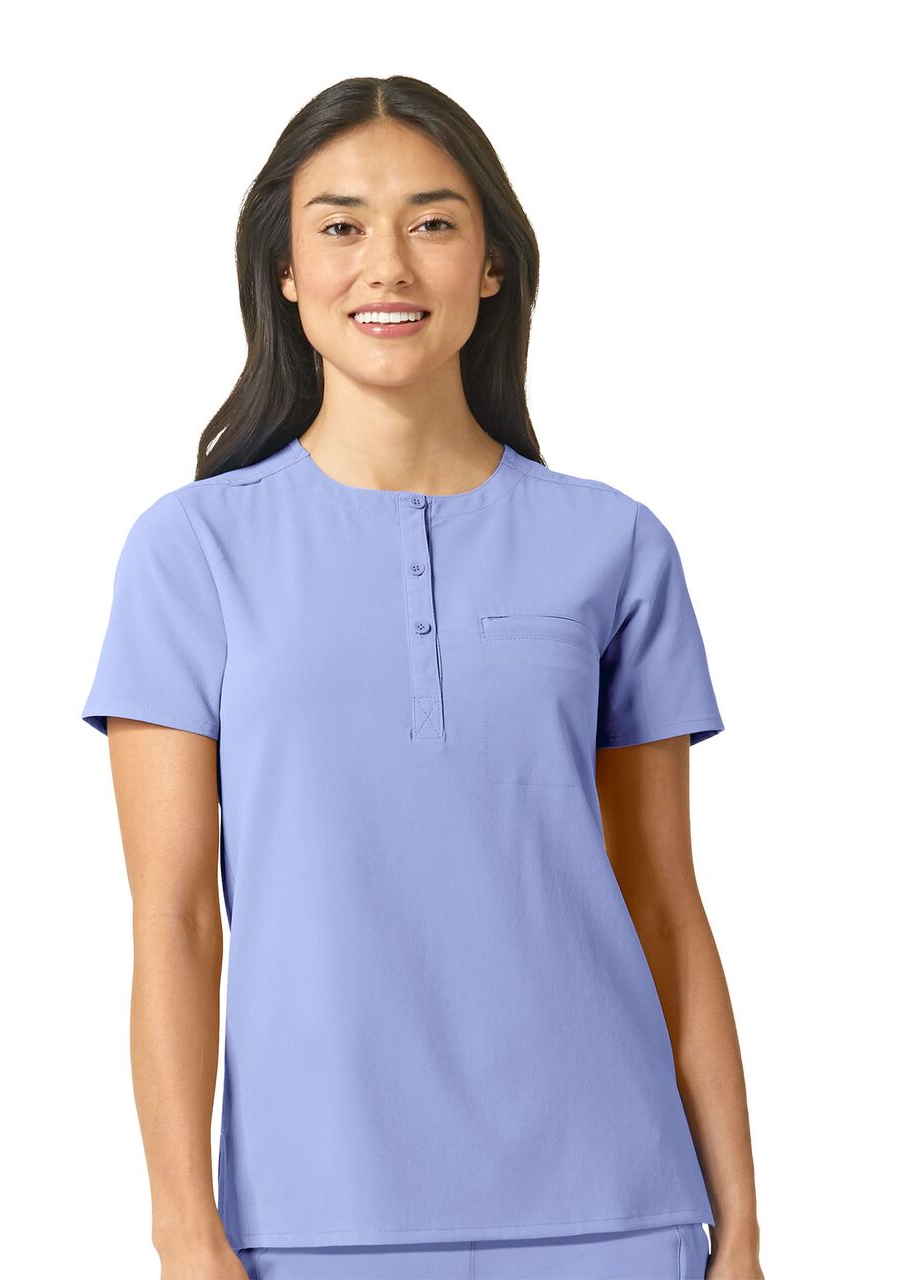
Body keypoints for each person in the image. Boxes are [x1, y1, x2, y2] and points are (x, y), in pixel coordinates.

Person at [81, 75, 764, 1280]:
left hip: (613, 1208)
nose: (385, 264)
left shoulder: (613, 544)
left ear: (490, 265)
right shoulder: (191, 552)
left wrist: (742, 1229)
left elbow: (664, 901)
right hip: (309, 1219)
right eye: (340, 226)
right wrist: (185, 1232)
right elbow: (173, 918)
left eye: (432, 223)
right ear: (284, 270)